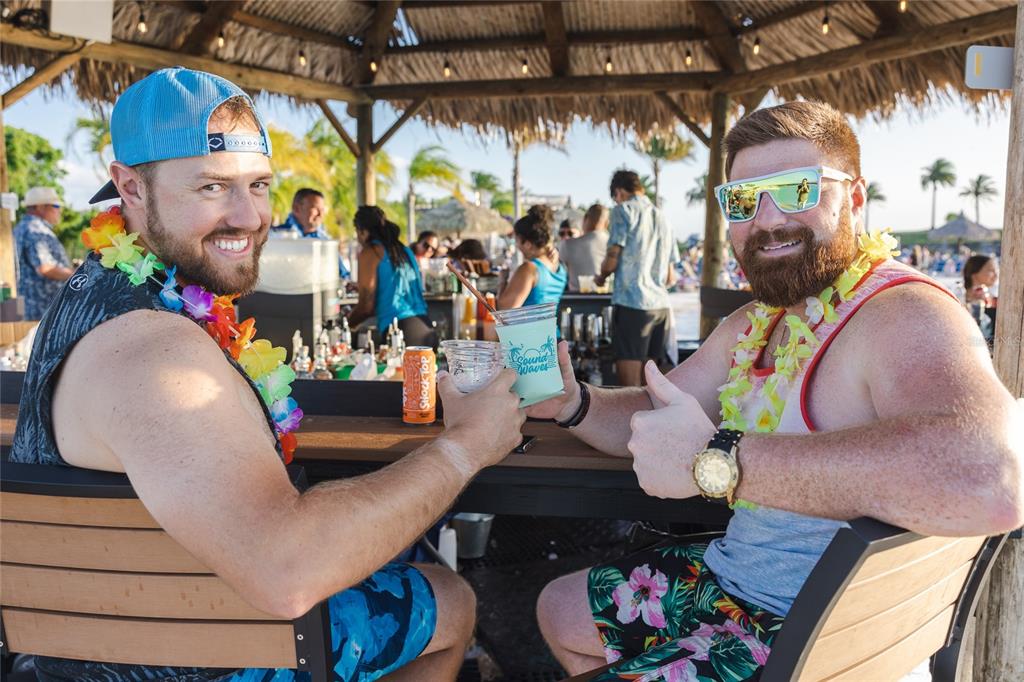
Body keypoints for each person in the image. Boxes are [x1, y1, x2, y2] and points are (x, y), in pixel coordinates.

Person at [11, 67, 526, 682]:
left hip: (122, 628)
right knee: (453, 598)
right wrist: (467, 446)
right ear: (131, 187)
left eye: (258, 184)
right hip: (187, 656)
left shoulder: (112, 286)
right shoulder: (155, 355)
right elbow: (287, 572)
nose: (249, 216)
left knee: (403, 548)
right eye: (210, 186)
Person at [527, 101, 1023, 681]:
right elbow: (658, 409)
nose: (767, 219)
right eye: (743, 200)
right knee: (559, 610)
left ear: (854, 199)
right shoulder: (757, 321)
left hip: (816, 636)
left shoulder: (902, 314)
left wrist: (721, 462)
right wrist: (575, 402)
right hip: (734, 584)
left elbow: (989, 478)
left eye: (796, 189)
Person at [595, 170, 674, 386]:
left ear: (619, 192)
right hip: (661, 308)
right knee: (651, 386)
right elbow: (670, 276)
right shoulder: (663, 217)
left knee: (628, 389)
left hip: (633, 303)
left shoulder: (622, 211)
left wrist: (601, 277)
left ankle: (626, 422)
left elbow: (612, 259)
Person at [347, 205, 438, 349]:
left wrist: (346, 324)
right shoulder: (404, 250)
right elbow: (397, 285)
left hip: (400, 332)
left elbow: (366, 307)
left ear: (362, 231)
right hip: (426, 329)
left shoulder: (371, 251)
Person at [12, 186, 74, 320]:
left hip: (30, 309)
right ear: (40, 207)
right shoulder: (36, 229)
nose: (60, 211)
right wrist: (78, 274)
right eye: (56, 206)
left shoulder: (21, 227)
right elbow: (45, 268)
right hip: (44, 311)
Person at [497, 204, 567, 310]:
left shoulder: (529, 269)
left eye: (517, 240)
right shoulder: (559, 266)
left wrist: (502, 280)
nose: (516, 245)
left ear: (528, 244)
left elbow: (505, 310)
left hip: (530, 327)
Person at [560, 203, 609, 292]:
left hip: (575, 299)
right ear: (606, 223)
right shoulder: (612, 245)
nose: (566, 236)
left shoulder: (567, 245)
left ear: (585, 219)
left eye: (570, 233)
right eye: (562, 233)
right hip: (604, 298)